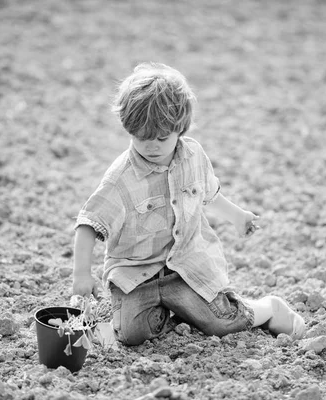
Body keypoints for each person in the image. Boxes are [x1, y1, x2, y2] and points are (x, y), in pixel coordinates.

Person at [72, 62, 305, 345]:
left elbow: (208, 194)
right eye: (142, 138)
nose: (152, 146)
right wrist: (82, 274)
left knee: (220, 321)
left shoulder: (193, 156)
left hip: (185, 267)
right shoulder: (120, 179)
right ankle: (174, 312)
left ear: (179, 128)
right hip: (136, 274)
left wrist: (237, 216)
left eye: (162, 138)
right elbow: (88, 224)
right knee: (132, 335)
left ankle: (269, 308)